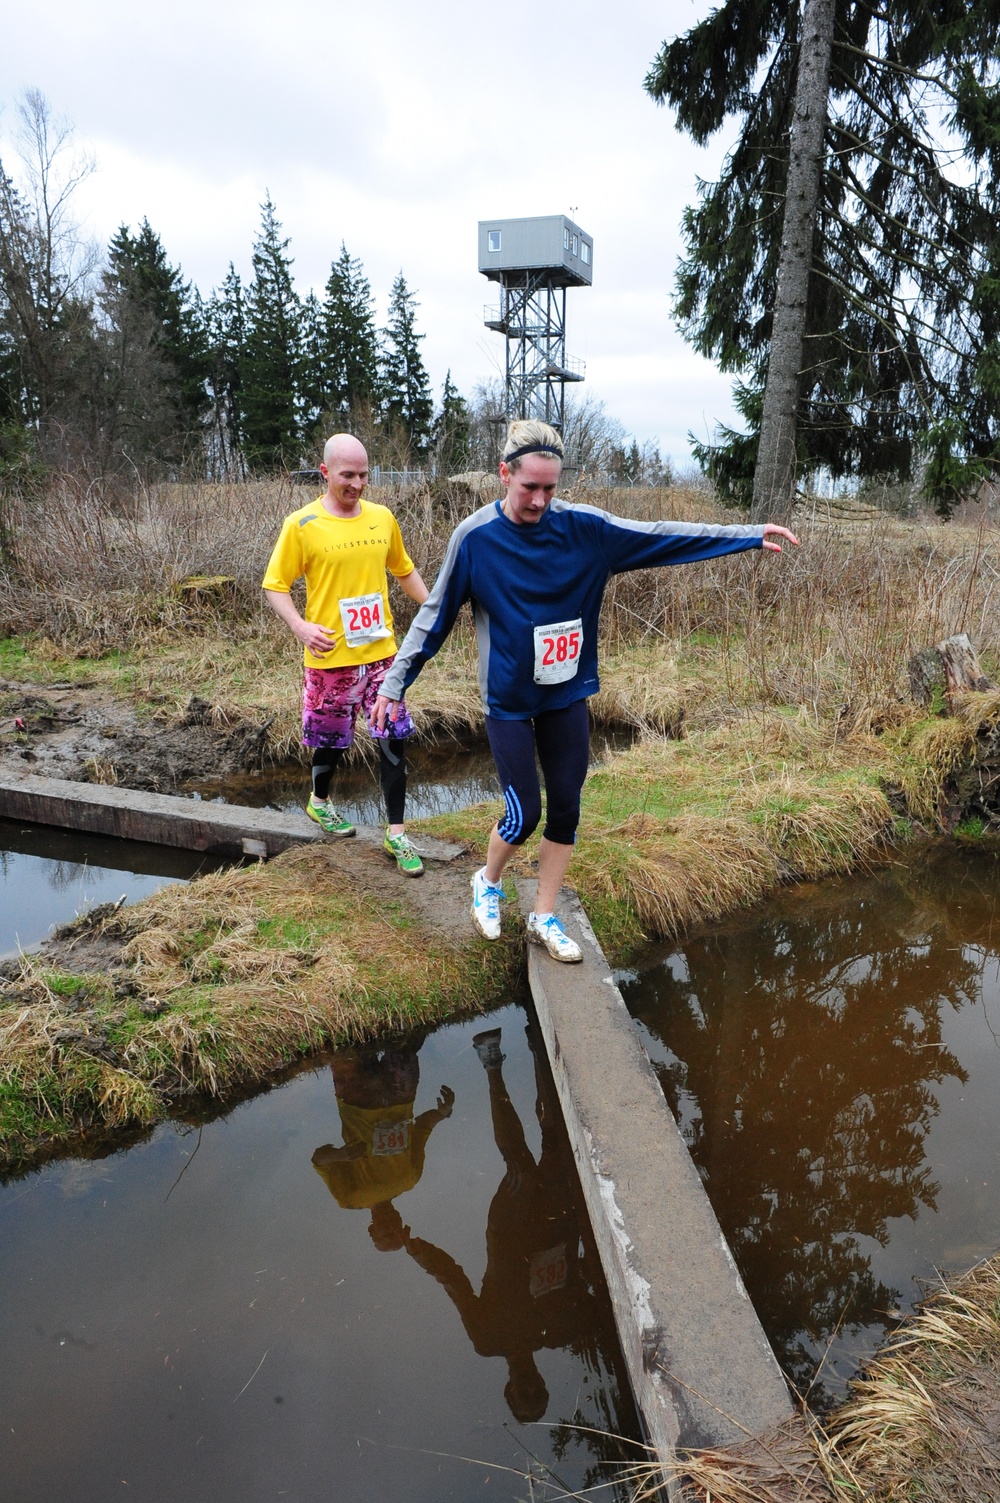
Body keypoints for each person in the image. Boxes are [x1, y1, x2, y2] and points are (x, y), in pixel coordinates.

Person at [375, 418, 798, 958]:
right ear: (504, 474)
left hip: (567, 692)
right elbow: (432, 618)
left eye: (551, 488)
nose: (539, 500)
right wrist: (395, 684)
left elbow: (661, 535)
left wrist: (747, 537)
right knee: (523, 812)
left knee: (567, 806)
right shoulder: (476, 539)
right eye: (529, 487)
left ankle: (543, 915)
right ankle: (488, 879)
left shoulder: (586, 530)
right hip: (507, 697)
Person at [263, 433, 429, 876]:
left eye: (363, 475)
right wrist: (300, 626)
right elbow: (274, 585)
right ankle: (320, 802)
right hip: (330, 656)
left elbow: (404, 570)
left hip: (381, 655)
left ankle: (397, 833)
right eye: (347, 475)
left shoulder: (382, 518)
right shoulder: (301, 524)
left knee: (393, 736)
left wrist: (434, 609)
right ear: (325, 473)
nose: (357, 484)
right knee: (330, 741)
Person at [312, 1038, 454, 1251]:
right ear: (401, 1222)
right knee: (404, 1038)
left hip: (357, 1102)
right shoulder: (410, 1178)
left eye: (384, 1236)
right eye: (396, 1233)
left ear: (371, 1230)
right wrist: (443, 1113)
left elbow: (318, 1160)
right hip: (400, 1096)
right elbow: (422, 1128)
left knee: (344, 1042)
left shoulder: (349, 1199)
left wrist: (339, 1155)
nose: (392, 1230)